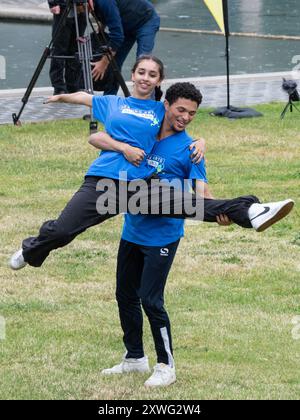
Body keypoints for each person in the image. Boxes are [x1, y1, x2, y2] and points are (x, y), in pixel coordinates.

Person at [88, 83, 294, 387]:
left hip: (164, 234)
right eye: (181, 110)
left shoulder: (191, 150)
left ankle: (166, 366)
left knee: (151, 300)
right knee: (125, 295)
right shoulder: (143, 134)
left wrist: (216, 213)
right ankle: (134, 358)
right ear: (166, 105)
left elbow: (202, 194)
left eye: (192, 114)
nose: (185, 117)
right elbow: (99, 137)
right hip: (132, 228)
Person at [9, 57, 294, 272]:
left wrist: (202, 141)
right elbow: (90, 116)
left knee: (193, 205)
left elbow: (182, 119)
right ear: (133, 75)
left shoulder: (162, 108)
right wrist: (62, 97)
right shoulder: (113, 104)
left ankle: (251, 210)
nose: (146, 78)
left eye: (153, 75)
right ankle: (31, 249)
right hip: (105, 183)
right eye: (141, 72)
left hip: (142, 188)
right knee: (62, 231)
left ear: (159, 82)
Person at [91, 0, 160, 95]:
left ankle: (147, 103)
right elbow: (110, 13)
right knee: (114, 63)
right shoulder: (95, 4)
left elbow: (117, 37)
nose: (79, 12)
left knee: (143, 63)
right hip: (126, 25)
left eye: (79, 8)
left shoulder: (105, 2)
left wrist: (103, 63)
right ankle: (109, 99)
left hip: (146, 20)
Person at [48, 0, 87, 95]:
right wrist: (53, 3)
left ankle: (73, 85)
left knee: (76, 50)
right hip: (63, 9)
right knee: (59, 50)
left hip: (81, 9)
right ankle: (59, 87)